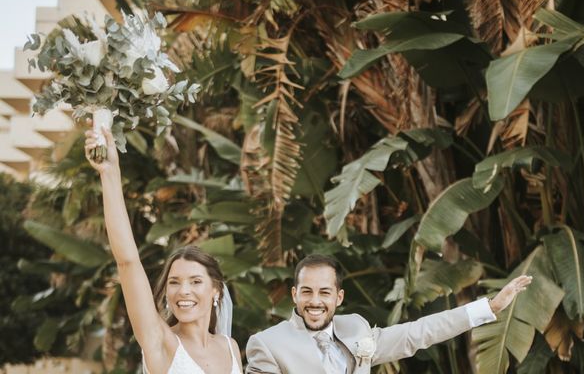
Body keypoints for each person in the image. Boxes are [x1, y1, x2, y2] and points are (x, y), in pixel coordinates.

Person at [85, 125, 242, 374]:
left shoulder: (230, 347)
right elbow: (128, 262)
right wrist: (109, 172)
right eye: (174, 282)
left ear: (216, 291)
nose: (183, 291)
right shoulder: (160, 341)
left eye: (195, 281)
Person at [246, 254, 532, 373]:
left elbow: (418, 333)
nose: (315, 301)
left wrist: (490, 307)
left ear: (339, 297)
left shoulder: (354, 328)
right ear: (294, 294)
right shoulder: (268, 344)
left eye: (324, 292)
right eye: (307, 292)